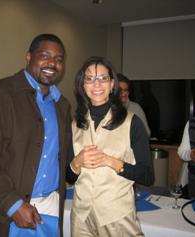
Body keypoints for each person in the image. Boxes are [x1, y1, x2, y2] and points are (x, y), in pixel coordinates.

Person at [0, 34, 72, 237]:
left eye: (59, 59)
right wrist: (13, 204)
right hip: (2, 209)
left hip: (50, 208)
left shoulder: (63, 105)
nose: (52, 63)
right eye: (45, 55)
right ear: (28, 56)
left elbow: (64, 158)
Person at [66, 56, 154, 237]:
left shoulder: (132, 123)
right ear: (83, 85)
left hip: (117, 217)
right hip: (81, 218)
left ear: (112, 84)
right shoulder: (75, 124)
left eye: (102, 78)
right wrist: (76, 162)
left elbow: (147, 176)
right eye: (89, 79)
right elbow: (69, 176)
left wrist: (112, 162)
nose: (96, 84)